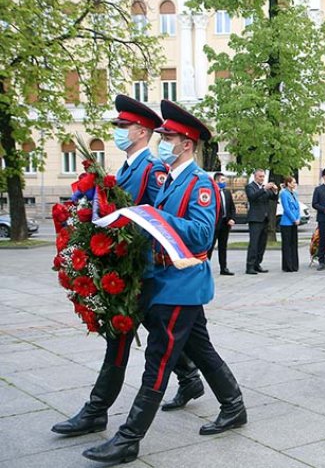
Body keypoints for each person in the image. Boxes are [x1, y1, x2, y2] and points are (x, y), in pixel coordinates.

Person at [83, 100, 247, 463]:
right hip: (163, 278)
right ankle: (234, 405)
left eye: (168, 137)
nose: (162, 142)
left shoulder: (201, 183)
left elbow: (203, 234)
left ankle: (129, 438)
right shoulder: (170, 180)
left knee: (158, 359)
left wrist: (157, 218)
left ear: (186, 143)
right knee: (200, 348)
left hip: (182, 284)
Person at [51, 95, 204, 437]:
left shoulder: (152, 170)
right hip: (127, 266)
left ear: (139, 131)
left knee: (123, 336)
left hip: (140, 269)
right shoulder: (126, 168)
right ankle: (192, 378)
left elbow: (154, 217)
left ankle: (98, 411)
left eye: (122, 127)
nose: (117, 132)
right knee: (175, 336)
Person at [245, 169, 278, 274]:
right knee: (254, 243)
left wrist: (275, 191)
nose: (262, 178)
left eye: (263, 177)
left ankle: (257, 264)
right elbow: (252, 197)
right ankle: (250, 266)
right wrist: (264, 189)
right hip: (255, 219)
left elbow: (273, 198)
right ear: (255, 177)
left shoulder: (264, 188)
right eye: (260, 176)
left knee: (262, 244)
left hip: (265, 218)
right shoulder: (250, 187)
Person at [208, 172, 236, 275]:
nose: (224, 182)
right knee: (210, 246)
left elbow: (232, 207)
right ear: (216, 181)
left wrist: (232, 218)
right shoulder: (211, 192)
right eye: (222, 180)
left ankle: (223, 268)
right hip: (215, 224)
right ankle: (206, 267)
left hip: (225, 223)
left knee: (223, 246)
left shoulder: (227, 193)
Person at [279, 176, 300, 272]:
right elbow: (286, 208)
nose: (295, 184)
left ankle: (294, 265)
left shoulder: (295, 193)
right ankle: (287, 265)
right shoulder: (284, 193)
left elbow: (298, 207)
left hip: (295, 222)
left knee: (294, 244)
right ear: (288, 183)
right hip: (287, 223)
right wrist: (293, 219)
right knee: (287, 245)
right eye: (293, 182)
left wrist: (298, 218)